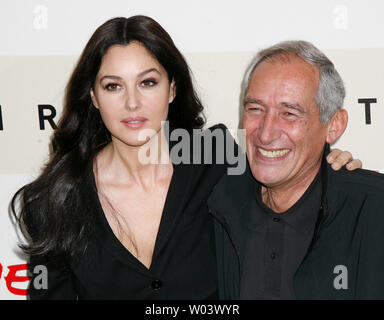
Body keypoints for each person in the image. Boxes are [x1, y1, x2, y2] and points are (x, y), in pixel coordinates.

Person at [11, 17, 361, 300]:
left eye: (147, 83)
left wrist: (329, 165)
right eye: (113, 86)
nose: (132, 103)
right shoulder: (53, 200)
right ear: (94, 96)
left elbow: (285, 177)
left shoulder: (218, 160)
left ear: (172, 89)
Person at [208, 40, 384, 300]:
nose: (266, 134)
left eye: (289, 114)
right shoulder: (215, 198)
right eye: (255, 109)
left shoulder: (373, 210)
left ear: (334, 125)